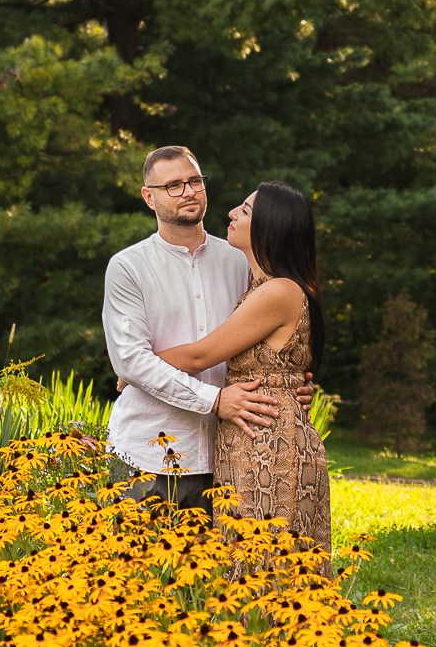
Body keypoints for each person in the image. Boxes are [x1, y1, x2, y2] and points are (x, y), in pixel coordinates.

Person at [101, 146, 311, 511]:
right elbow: (131, 360)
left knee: (217, 567)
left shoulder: (240, 260)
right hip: (147, 455)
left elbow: (275, 337)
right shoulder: (128, 267)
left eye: (194, 181)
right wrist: (213, 401)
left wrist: (294, 383)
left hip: (226, 459)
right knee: (136, 567)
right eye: (173, 186)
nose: (188, 192)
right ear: (149, 197)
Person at [154, 181, 330, 559]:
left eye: (246, 211)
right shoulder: (262, 286)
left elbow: (203, 355)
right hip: (255, 435)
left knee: (265, 561)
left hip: (269, 443)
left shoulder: (278, 290)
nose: (232, 213)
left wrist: (136, 366)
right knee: (248, 558)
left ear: (271, 228)